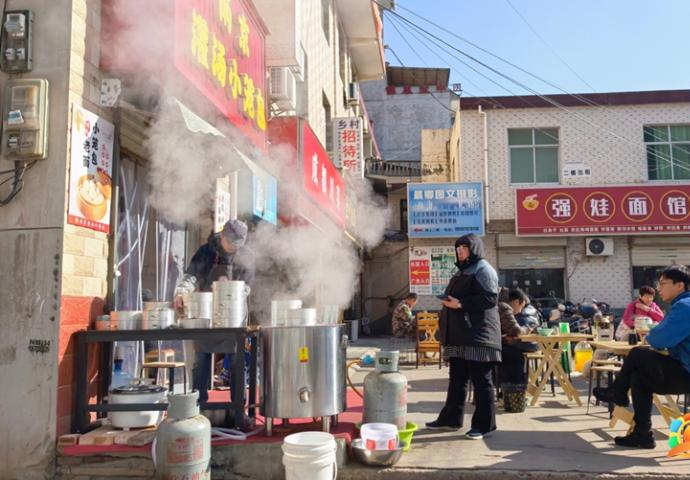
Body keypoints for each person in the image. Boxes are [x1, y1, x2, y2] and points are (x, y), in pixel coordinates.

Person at [594, 264, 690, 448]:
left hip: (686, 372)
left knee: (638, 354)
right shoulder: (682, 306)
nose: (659, 288)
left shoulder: (685, 307)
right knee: (639, 378)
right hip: (683, 368)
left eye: (663, 283)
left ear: (680, 285)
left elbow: (659, 338)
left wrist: (652, 335)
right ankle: (642, 433)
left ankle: (617, 391)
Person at [173, 219, 255, 410]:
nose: (233, 247)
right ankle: (198, 405)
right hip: (207, 313)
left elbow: (246, 287)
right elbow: (192, 276)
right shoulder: (207, 250)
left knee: (236, 361)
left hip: (234, 316)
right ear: (223, 236)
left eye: (237, 244)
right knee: (201, 360)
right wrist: (182, 291)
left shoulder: (247, 256)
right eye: (230, 243)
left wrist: (232, 294)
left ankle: (238, 408)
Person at [426, 234, 501, 439]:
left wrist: (460, 304)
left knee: (481, 380)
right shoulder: (461, 271)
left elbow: (490, 298)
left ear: (474, 249)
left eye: (464, 248)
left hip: (479, 335)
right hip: (459, 335)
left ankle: (485, 426)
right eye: (457, 248)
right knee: (457, 379)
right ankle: (450, 419)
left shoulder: (483, 269)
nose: (460, 251)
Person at [499, 288, 537, 387]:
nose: (520, 311)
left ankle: (513, 388)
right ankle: (514, 388)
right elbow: (517, 331)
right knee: (515, 354)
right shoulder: (505, 308)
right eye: (521, 306)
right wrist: (528, 328)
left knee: (515, 352)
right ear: (516, 302)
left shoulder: (500, 305)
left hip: (491, 343)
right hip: (494, 346)